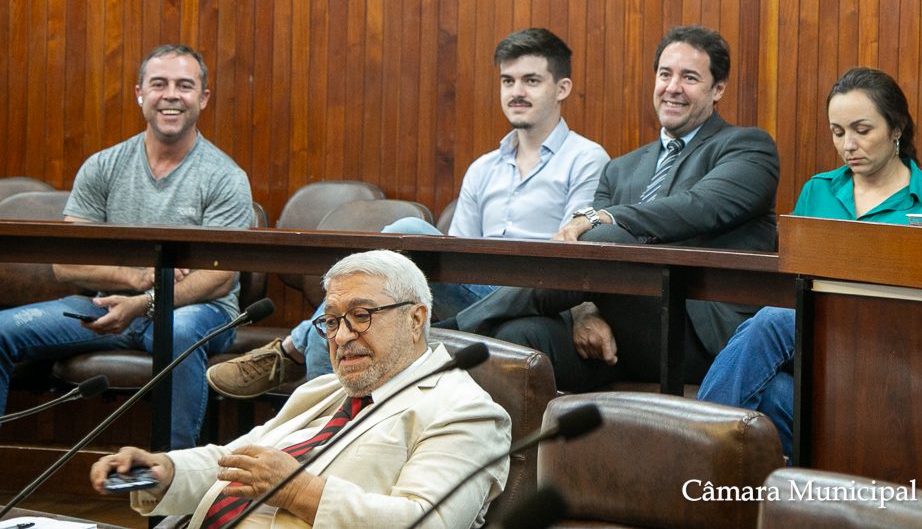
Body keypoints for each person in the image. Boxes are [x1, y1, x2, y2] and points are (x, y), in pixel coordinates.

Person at [207, 28, 609, 397]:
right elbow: (458, 253)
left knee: (406, 232)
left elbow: (574, 254)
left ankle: (295, 351)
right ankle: (323, 418)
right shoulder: (483, 167)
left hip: (538, 296)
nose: (516, 92)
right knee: (382, 286)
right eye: (508, 81)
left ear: (562, 88)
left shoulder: (586, 159)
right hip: (474, 293)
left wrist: (585, 312)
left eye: (531, 81)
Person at [442, 25, 780, 392]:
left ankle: (448, 334)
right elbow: (588, 260)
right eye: (665, 74)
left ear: (718, 89)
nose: (672, 87)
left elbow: (700, 207)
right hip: (622, 333)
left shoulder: (748, 147)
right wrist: (587, 311)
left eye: (689, 77)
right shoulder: (620, 168)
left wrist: (605, 216)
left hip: (697, 336)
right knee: (521, 335)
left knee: (606, 237)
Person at [91, 250, 511, 529]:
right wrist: (163, 471)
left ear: (415, 319)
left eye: (361, 316)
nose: (341, 337)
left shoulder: (463, 410)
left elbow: (426, 521)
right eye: (331, 321)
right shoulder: (325, 391)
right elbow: (238, 461)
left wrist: (296, 489)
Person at [697, 67, 922, 457]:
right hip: (818, 361)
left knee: (771, 320)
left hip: (893, 363)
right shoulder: (818, 190)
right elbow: (789, 281)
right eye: (838, 133)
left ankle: (694, 450)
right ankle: (739, 469)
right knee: (768, 391)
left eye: (862, 130)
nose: (848, 145)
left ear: (897, 128)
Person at [0, 45, 253, 449]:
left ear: (203, 98)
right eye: (159, 84)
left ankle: (171, 476)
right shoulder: (104, 166)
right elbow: (66, 264)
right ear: (140, 93)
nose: (171, 95)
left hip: (197, 312)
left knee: (177, 334)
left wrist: (146, 301)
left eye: (184, 86)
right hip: (107, 306)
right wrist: (136, 278)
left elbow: (219, 279)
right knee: (2, 330)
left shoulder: (225, 177)